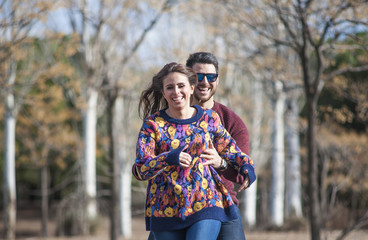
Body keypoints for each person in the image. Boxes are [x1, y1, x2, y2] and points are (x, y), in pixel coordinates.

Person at [132, 62, 256, 240]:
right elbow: (141, 169)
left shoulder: (209, 118)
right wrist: (167, 158)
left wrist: (246, 166)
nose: (176, 92)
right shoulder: (153, 125)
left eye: (181, 86)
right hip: (164, 207)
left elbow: (231, 150)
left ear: (191, 88)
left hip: (205, 201)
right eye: (170, 87)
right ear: (163, 92)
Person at [186, 52, 250, 240]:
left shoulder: (232, 122)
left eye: (211, 76)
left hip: (222, 203)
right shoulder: (170, 118)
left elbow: (241, 173)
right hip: (176, 202)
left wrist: (220, 163)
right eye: (198, 76)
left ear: (218, 80)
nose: (204, 81)